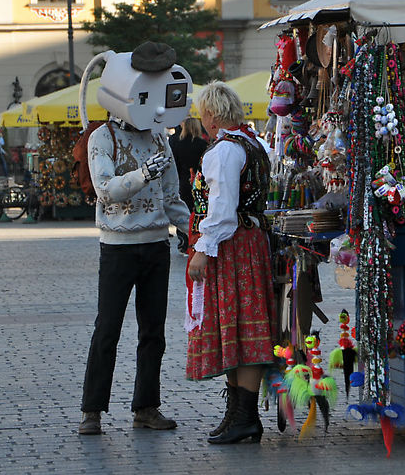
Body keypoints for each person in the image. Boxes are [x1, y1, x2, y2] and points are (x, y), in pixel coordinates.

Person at [79, 42, 192, 436]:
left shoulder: (160, 139)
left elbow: (173, 198)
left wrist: (196, 229)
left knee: (153, 332)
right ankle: (92, 411)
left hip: (155, 246)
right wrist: (144, 173)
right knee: (106, 329)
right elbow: (106, 189)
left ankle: (146, 406)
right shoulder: (101, 139)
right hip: (118, 247)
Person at [186, 81, 274, 445]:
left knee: (242, 327)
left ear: (211, 114)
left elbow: (222, 208)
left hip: (233, 244)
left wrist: (202, 249)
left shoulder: (223, 151)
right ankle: (237, 414)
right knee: (236, 326)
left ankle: (245, 417)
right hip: (248, 242)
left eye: (202, 113)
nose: (201, 120)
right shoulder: (253, 142)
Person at [168, 116, 208, 253]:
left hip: (181, 179)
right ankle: (196, 240)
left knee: (182, 210)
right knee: (197, 210)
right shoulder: (202, 144)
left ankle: (183, 242)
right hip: (198, 181)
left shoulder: (175, 141)